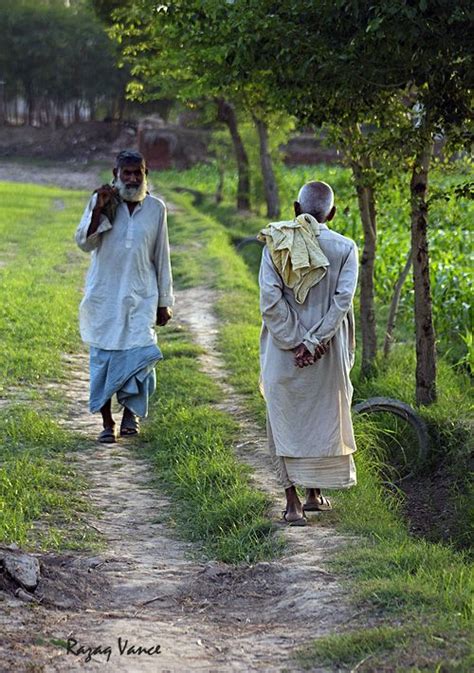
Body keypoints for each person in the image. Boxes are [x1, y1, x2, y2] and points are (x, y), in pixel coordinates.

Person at [258, 181, 358, 526]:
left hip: (284, 351)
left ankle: (293, 504)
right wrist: (315, 342)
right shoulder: (346, 248)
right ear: (331, 213)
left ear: (296, 209)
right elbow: (342, 303)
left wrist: (296, 340)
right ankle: (315, 493)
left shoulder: (276, 244)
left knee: (285, 419)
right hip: (328, 352)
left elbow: (270, 302)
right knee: (320, 418)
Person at [75, 150, 173, 443]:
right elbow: (84, 243)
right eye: (126, 173)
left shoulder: (156, 209)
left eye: (137, 173)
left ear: (146, 174)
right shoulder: (102, 202)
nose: (132, 179)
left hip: (142, 296)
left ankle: (131, 415)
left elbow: (162, 256)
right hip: (105, 296)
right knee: (103, 360)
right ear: (115, 173)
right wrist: (99, 211)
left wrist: (164, 302)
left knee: (141, 358)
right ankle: (107, 423)